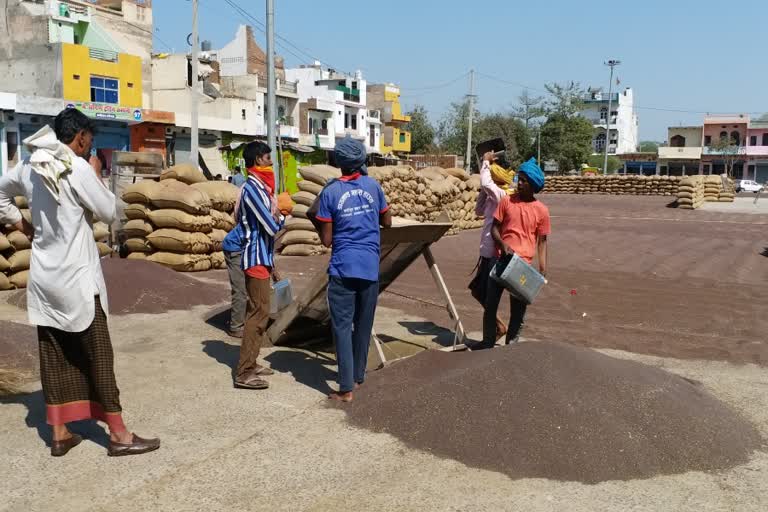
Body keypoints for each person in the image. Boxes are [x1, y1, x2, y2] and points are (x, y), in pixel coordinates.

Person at [0, 108, 160, 457]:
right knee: (98, 354)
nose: (91, 144)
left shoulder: (30, 165)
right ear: (81, 137)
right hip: (79, 280)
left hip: (44, 279)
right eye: (90, 139)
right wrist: (98, 175)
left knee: (53, 352)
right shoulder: (77, 168)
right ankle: (118, 434)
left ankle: (59, 433)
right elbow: (108, 211)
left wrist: (22, 225)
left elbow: (0, 193)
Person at [310, 137, 391, 402]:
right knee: (363, 324)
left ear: (338, 162)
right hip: (369, 267)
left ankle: (346, 388)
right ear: (362, 160)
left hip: (343, 269)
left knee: (342, 327)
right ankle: (358, 375)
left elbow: (326, 240)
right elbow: (387, 221)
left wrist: (319, 221)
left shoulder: (330, 192)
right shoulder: (373, 186)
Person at [472, 157, 550, 350]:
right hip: (500, 260)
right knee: (490, 306)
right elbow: (496, 228)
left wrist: (542, 267)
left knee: (518, 310)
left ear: (533, 185)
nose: (519, 183)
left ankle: (511, 347)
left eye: (524, 181)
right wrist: (502, 244)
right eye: (519, 179)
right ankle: (487, 342)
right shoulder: (507, 201)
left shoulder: (542, 210)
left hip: (523, 265)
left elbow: (542, 241)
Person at [232, 141, 287, 390]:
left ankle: (251, 363)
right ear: (257, 160)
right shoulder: (252, 189)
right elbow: (270, 225)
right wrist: (285, 214)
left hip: (263, 257)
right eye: (267, 158)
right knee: (258, 314)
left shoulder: (262, 188)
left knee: (259, 312)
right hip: (254, 258)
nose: (270, 162)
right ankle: (244, 371)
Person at [469, 152, 515, 340]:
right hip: (486, 253)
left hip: (495, 253)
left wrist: (486, 162)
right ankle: (498, 325)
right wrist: (482, 191)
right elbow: (478, 210)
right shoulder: (491, 195)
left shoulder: (503, 195)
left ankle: (491, 335)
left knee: (490, 297)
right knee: (477, 291)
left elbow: (488, 183)